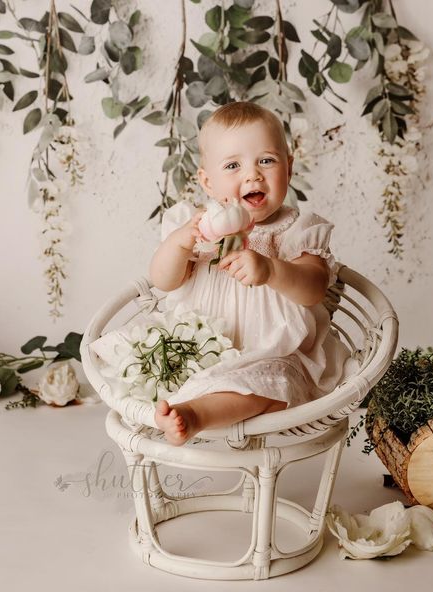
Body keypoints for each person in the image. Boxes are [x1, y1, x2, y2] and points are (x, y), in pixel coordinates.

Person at [149, 101, 351, 445]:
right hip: (198, 349)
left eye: (267, 161)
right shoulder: (197, 226)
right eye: (232, 165)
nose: (252, 174)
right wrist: (178, 245)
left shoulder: (297, 229)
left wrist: (272, 269)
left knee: (273, 385)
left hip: (273, 355)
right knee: (153, 364)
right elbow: (162, 281)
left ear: (289, 167)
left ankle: (196, 414)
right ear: (207, 182)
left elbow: (314, 288)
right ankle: (181, 401)